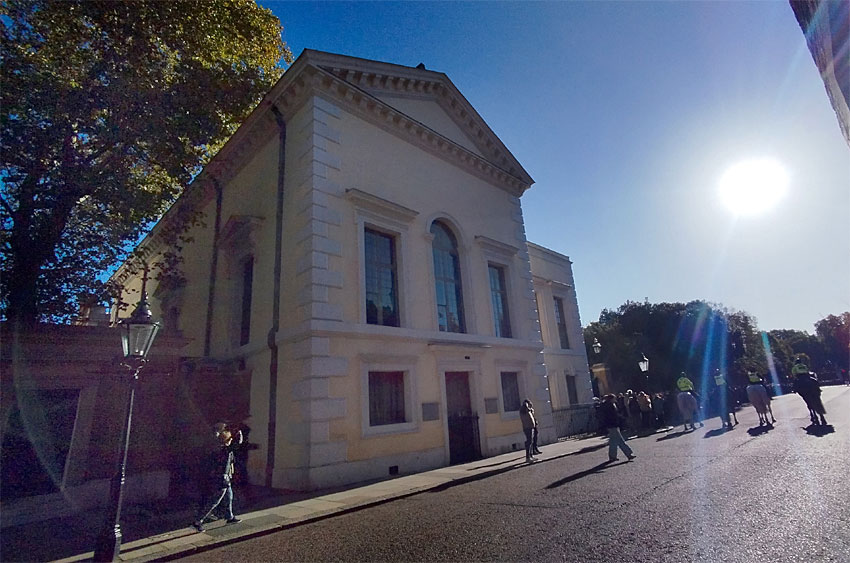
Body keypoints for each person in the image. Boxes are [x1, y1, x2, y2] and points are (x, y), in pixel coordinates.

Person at [192, 422, 244, 532]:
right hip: (221, 479)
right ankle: (198, 521)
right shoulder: (222, 449)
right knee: (214, 501)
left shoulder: (220, 448)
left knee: (229, 497)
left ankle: (229, 517)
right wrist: (239, 433)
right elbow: (237, 443)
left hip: (224, 478)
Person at [599, 394, 635, 462]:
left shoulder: (607, 405)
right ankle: (629, 453)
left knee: (613, 441)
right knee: (620, 440)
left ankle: (612, 456)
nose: (615, 400)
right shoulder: (609, 406)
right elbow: (613, 415)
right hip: (612, 424)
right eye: (614, 398)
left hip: (611, 425)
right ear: (611, 399)